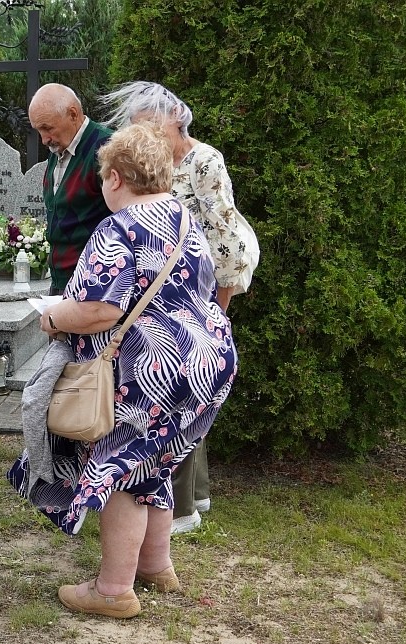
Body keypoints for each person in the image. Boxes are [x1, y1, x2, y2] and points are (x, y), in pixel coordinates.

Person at [32, 123, 238, 618]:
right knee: (155, 463)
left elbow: (99, 309)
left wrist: (54, 317)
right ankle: (155, 565)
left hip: (149, 369)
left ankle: (112, 590)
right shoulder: (184, 219)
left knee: (121, 470)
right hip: (206, 361)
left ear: (116, 178)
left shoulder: (119, 228)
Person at [101, 81, 261, 533]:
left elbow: (227, 243)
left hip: (198, 299)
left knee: (175, 399)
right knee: (179, 396)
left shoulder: (204, 161)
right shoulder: (158, 163)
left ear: (174, 119)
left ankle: (180, 509)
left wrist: (216, 313)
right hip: (168, 301)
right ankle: (195, 495)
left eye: (150, 126)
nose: (145, 137)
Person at [28, 83, 115, 294]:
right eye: (38, 130)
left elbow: (126, 219)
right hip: (62, 282)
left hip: (94, 285)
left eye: (47, 128)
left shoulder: (108, 149)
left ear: (73, 114)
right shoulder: (60, 147)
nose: (44, 139)